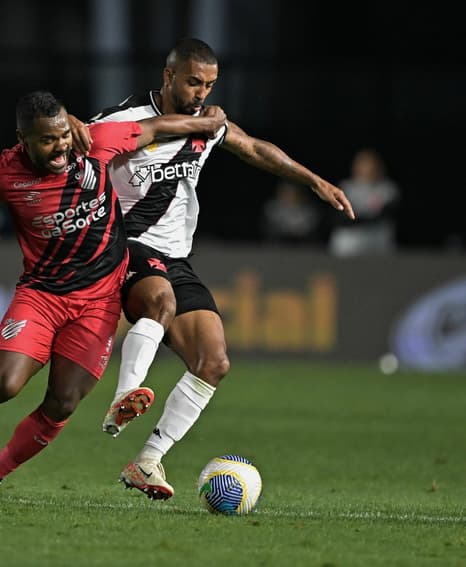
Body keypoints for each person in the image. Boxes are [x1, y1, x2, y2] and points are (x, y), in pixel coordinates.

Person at [0, 90, 226, 505]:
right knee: (2, 388)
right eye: (47, 140)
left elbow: (155, 128)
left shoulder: (95, 141)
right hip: (43, 296)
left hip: (100, 301)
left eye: (63, 135)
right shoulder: (3, 172)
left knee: (63, 402)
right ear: (23, 139)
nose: (61, 146)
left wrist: (204, 124)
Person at [69, 37, 356, 500]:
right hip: (124, 247)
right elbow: (74, 144)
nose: (202, 92)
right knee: (159, 300)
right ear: (168, 77)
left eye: (209, 84)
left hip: (174, 256)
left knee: (214, 362)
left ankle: (147, 460)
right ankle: (127, 393)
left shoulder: (208, 124)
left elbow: (256, 149)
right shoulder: (124, 120)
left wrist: (315, 181)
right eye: (193, 82)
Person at [328, 147, 400, 257]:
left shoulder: (387, 189)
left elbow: (386, 214)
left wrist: (359, 217)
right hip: (351, 240)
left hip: (376, 239)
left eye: (370, 163)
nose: (367, 168)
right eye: (362, 163)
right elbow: (339, 216)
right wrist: (367, 217)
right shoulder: (346, 187)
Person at [261, 180, 325, 247]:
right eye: (285, 193)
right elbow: (270, 229)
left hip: (303, 245)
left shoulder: (308, 211)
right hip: (278, 245)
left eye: (292, 193)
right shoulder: (272, 208)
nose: (289, 197)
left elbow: (309, 231)